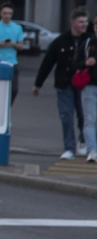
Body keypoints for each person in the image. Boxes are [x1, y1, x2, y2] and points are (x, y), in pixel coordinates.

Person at [33, 12, 97, 161]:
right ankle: (69, 148)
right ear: (72, 22)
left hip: (83, 83)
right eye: (80, 22)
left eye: (85, 22)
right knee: (66, 115)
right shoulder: (60, 41)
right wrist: (38, 84)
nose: (84, 25)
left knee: (84, 116)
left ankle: (83, 141)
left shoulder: (89, 40)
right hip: (64, 83)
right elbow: (48, 63)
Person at [0, 4, 27, 109]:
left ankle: (6, 110)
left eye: (9, 13)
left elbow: (21, 46)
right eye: (5, 13)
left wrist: (13, 44)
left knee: (14, 89)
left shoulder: (17, 28)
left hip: (12, 62)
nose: (7, 16)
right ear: (0, 14)